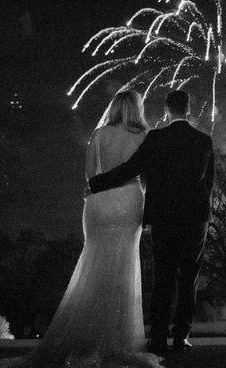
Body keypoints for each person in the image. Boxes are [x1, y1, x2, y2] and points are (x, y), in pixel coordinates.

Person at [0, 90, 162, 368]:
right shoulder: (145, 137)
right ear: (137, 109)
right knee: (123, 269)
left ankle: (83, 335)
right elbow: (147, 178)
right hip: (129, 201)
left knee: (92, 264)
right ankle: (118, 338)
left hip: (98, 204)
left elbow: (90, 175)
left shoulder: (99, 135)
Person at [89, 90, 215, 356]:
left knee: (163, 279)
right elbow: (209, 184)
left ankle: (158, 339)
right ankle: (181, 338)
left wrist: (98, 183)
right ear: (188, 110)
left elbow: (131, 168)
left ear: (167, 110)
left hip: (164, 218)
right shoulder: (204, 141)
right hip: (195, 219)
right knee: (188, 279)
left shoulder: (156, 138)